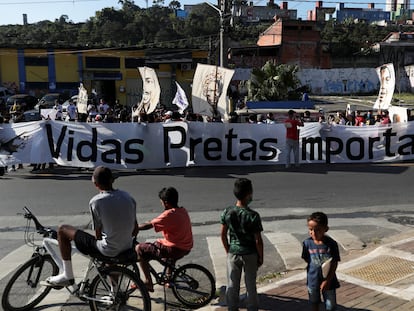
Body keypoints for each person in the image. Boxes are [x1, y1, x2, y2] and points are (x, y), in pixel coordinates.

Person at [44, 166, 138, 287]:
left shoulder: (97, 201)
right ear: (113, 180)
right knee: (111, 247)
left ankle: (67, 275)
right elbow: (135, 229)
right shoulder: (128, 197)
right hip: (127, 246)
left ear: (95, 183)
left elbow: (98, 234)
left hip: (108, 249)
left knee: (62, 229)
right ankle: (114, 292)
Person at [135, 187, 193, 292]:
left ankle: (148, 282)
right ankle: (168, 278)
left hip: (175, 248)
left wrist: (135, 228)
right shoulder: (182, 211)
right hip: (186, 246)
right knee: (163, 251)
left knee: (140, 249)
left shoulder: (168, 214)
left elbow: (149, 224)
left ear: (165, 203)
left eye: (161, 202)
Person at [220, 178, 264, 311]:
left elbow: (222, 234)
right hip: (250, 254)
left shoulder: (227, 212)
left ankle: (232, 307)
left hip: (233, 252)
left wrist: (228, 250)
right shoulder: (253, 215)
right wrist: (260, 257)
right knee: (251, 285)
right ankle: (252, 307)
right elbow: (258, 240)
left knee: (232, 284)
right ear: (249, 193)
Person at [302, 212, 340, 311]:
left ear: (325, 229)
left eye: (317, 230)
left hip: (329, 280)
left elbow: (334, 263)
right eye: (311, 230)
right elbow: (307, 259)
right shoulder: (307, 243)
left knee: (330, 305)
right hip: (312, 279)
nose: (313, 233)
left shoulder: (331, 244)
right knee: (314, 302)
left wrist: (327, 280)